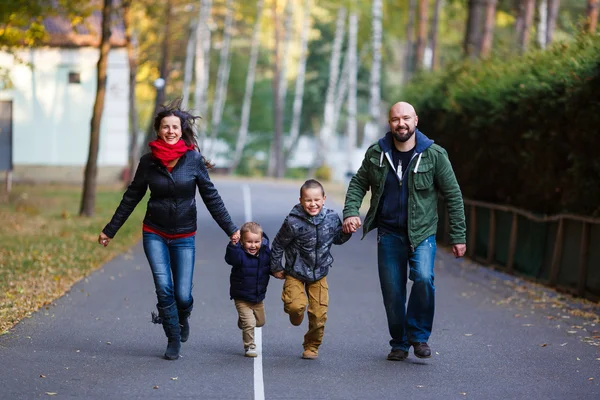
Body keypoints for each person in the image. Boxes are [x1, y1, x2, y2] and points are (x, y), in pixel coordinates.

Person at [98, 100, 240, 361]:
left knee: (182, 295)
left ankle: (182, 317)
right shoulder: (148, 162)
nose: (171, 131)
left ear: (181, 129)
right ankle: (173, 337)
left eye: (175, 127)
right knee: (164, 287)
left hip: (184, 235)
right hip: (155, 232)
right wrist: (110, 230)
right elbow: (132, 197)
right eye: (166, 127)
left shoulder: (193, 160)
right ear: (159, 130)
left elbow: (211, 197)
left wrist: (231, 229)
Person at [342, 101, 466, 361]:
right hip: (389, 233)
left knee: (423, 278)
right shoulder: (377, 152)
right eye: (396, 119)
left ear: (416, 121)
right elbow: (358, 183)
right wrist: (351, 211)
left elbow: (453, 195)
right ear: (390, 123)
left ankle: (418, 337)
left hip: (422, 233)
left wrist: (458, 236)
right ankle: (399, 342)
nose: (401, 123)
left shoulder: (434, 154)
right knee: (393, 292)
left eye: (406, 118)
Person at [270, 179, 352, 360]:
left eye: (316, 200)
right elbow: (278, 244)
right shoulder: (293, 222)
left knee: (319, 314)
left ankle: (312, 346)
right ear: (301, 200)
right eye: (308, 200)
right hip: (295, 273)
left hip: (319, 274)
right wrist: (275, 267)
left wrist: (347, 230)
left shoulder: (331, 218)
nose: (313, 204)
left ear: (324, 199)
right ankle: (295, 313)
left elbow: (338, 239)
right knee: (295, 306)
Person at [224, 222, 271, 358]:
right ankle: (249, 346)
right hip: (241, 297)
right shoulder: (239, 255)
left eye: (256, 242)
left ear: (262, 241)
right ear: (242, 241)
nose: (253, 245)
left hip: (258, 297)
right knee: (250, 323)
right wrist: (233, 245)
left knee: (260, 322)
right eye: (249, 242)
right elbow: (230, 258)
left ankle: (243, 322)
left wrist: (278, 272)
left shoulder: (265, 253)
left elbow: (270, 267)